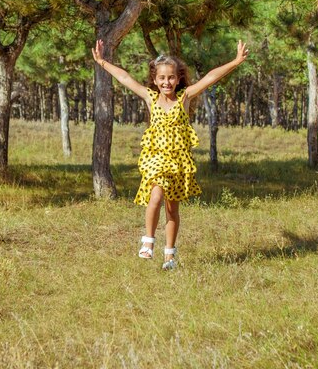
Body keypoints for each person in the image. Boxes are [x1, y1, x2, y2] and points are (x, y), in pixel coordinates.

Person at [91, 39, 249, 270]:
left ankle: (169, 256)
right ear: (155, 79)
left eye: (171, 77)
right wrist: (103, 62)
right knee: (155, 196)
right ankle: (148, 240)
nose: (167, 82)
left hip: (178, 162)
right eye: (162, 78)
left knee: (172, 209)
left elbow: (210, 78)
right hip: (155, 159)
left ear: (178, 78)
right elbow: (125, 78)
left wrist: (235, 62)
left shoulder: (184, 98)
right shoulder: (150, 97)